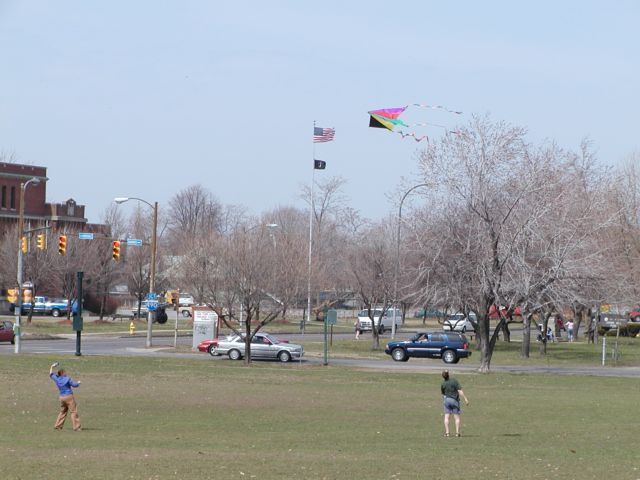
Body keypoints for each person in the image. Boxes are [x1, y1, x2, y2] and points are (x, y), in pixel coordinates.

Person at [49, 363, 82, 431]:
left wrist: (52, 366)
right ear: (62, 373)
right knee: (73, 411)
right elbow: (74, 385)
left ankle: (58, 426)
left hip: (62, 397)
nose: (66, 373)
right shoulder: (67, 379)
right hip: (69, 396)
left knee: (63, 411)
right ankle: (76, 427)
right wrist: (78, 383)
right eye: (65, 372)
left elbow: (51, 374)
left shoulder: (57, 379)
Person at [440, 370, 469, 437]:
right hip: (454, 401)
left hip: (447, 400)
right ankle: (457, 433)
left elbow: (443, 393)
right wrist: (465, 399)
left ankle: (447, 433)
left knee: (446, 417)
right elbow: (459, 391)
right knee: (456, 418)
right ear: (448, 374)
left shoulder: (443, 384)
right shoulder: (454, 381)